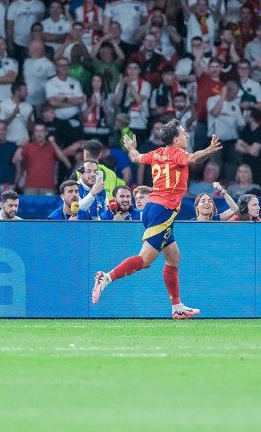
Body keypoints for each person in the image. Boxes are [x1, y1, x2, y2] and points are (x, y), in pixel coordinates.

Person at [91, 119, 223, 319]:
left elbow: (136, 158)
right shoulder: (176, 153)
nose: (186, 135)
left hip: (155, 207)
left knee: (173, 258)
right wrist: (210, 149)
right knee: (145, 261)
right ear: (175, 139)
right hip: (163, 210)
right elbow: (194, 159)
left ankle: (177, 307)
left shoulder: (156, 153)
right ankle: (105, 278)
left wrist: (131, 148)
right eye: (183, 133)